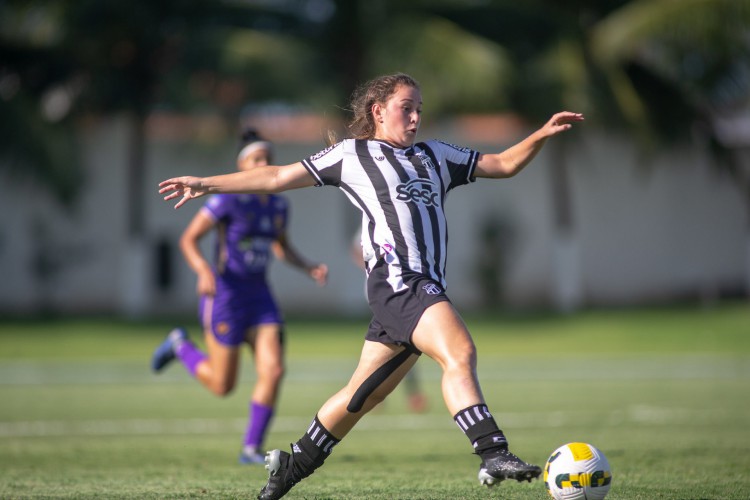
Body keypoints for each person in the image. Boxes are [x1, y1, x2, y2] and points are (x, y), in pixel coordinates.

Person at [158, 73, 584, 499]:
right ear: (378, 112)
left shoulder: (436, 155)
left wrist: (541, 134)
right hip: (400, 282)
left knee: (362, 395)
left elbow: (504, 164)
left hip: (416, 287)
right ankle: (494, 451)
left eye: (420, 108)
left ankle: (290, 467)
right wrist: (204, 183)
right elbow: (274, 178)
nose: (416, 117)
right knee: (460, 351)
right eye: (406, 108)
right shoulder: (351, 155)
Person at [151, 128, 329, 465]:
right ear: (242, 164)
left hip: (261, 298)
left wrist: (308, 267)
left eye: (268, 159)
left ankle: (251, 448)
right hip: (226, 297)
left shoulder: (278, 205)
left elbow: (281, 248)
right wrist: (204, 271)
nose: (264, 163)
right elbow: (188, 240)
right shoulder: (225, 200)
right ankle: (180, 346)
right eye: (256, 159)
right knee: (222, 385)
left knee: (274, 370)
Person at [350, 227, 428, 414]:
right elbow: (355, 252)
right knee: (402, 344)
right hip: (384, 292)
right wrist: (372, 265)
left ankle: (370, 393)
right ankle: (372, 393)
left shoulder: (397, 221)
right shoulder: (365, 228)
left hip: (400, 291)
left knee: (396, 345)